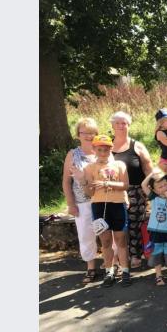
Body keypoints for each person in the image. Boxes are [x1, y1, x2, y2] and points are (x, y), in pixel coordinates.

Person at [84, 135, 131, 287]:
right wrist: (84, 182)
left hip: (117, 204)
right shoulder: (89, 168)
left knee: (121, 240)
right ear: (94, 150)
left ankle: (125, 271)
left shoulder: (119, 164)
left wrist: (106, 183)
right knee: (105, 241)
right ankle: (109, 272)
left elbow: (125, 185)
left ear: (111, 149)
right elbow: (89, 193)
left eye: (106, 149)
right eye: (99, 149)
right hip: (98, 206)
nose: (103, 152)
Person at [109, 111, 153, 268]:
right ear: (112, 126)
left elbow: (149, 170)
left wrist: (152, 191)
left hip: (136, 191)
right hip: (113, 191)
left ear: (129, 125)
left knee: (134, 225)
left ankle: (136, 255)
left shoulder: (138, 146)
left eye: (124, 123)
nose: (121, 126)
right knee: (117, 225)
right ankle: (118, 255)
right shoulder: (106, 146)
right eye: (118, 123)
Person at [62, 118, 99, 283]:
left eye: (92, 132)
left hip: (102, 200)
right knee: (86, 235)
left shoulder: (103, 150)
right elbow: (66, 181)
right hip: (82, 202)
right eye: (85, 132)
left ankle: (112, 264)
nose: (89, 136)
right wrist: (71, 203)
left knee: (108, 234)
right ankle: (90, 267)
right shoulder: (72, 154)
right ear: (78, 135)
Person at [141, 169, 167, 286]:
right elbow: (143, 185)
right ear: (154, 190)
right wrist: (151, 174)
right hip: (155, 231)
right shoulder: (153, 197)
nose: (164, 187)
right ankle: (158, 275)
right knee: (156, 253)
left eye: (165, 184)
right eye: (160, 187)